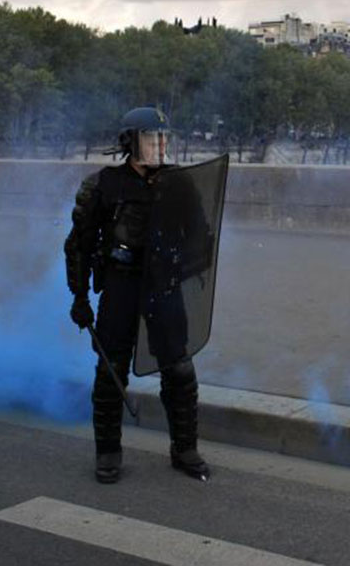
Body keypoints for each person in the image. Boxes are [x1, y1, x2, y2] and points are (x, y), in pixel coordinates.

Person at [65, 107, 211, 484]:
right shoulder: (104, 185)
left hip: (163, 286)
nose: (160, 145)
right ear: (132, 142)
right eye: (152, 138)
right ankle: (108, 452)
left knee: (178, 368)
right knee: (111, 370)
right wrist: (79, 296)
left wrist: (183, 263)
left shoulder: (178, 182)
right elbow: (78, 244)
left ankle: (185, 448)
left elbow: (200, 233)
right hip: (121, 285)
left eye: (164, 138)